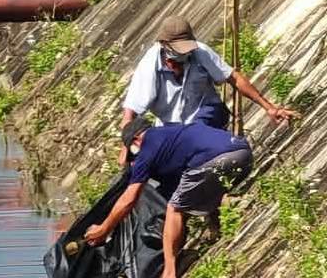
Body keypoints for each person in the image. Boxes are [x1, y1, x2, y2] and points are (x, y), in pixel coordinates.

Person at [86, 116, 253, 276]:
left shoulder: (146, 150)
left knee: (174, 209)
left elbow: (129, 199)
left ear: (136, 141)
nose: (134, 158)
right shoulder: (170, 131)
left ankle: (169, 272)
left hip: (215, 160)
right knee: (192, 190)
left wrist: (104, 228)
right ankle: (219, 221)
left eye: (132, 153)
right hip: (243, 152)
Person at [120, 16, 298, 137]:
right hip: (173, 127)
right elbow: (130, 113)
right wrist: (128, 145)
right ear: (164, 45)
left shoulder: (199, 52)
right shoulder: (150, 66)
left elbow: (233, 77)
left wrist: (268, 107)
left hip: (207, 115)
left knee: (201, 135)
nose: (184, 54)